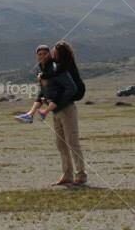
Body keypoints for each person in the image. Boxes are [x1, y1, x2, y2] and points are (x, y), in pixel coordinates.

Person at [49, 40, 87, 186]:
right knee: (61, 143)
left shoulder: (68, 70)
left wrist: (63, 99)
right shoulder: (54, 68)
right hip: (56, 110)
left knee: (72, 142)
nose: (54, 54)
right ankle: (67, 174)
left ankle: (81, 174)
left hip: (67, 109)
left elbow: (78, 89)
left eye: (56, 52)